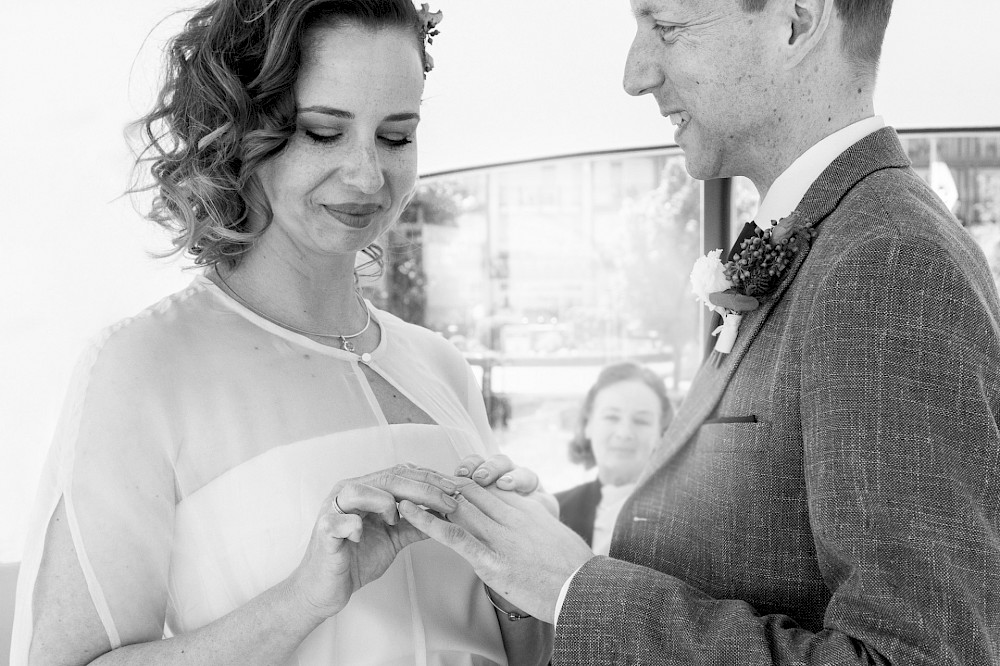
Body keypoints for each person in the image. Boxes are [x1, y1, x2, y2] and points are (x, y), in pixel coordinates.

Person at [398, 0, 1000, 663]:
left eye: (668, 27)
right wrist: (536, 552)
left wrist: (574, 589)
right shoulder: (832, 239)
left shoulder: (887, 261)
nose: (635, 74)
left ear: (797, 21)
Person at [10, 1, 552, 664]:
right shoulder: (144, 368)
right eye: (324, 132)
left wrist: (518, 578)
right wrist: (301, 601)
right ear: (239, 129)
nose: (368, 177)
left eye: (397, 135)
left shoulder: (440, 368)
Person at [555, 363, 672, 555]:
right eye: (611, 417)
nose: (624, 433)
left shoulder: (683, 521)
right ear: (588, 425)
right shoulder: (554, 510)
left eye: (641, 421)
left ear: (661, 434)